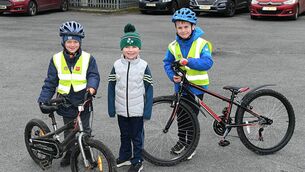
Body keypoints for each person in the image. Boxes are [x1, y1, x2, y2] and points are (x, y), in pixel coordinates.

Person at [37, 21, 100, 167]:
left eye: (75, 42)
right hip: (65, 101)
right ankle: (70, 153)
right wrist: (43, 99)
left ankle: (87, 152)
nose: (72, 45)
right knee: (69, 130)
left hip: (83, 100)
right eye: (69, 41)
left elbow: (93, 75)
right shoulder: (56, 59)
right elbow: (50, 82)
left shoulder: (88, 58)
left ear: (80, 42)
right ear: (63, 42)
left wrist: (91, 87)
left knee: (85, 130)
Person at [163, 8, 213, 160]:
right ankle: (182, 141)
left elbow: (207, 62)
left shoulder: (201, 43)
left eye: (186, 27)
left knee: (191, 117)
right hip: (180, 88)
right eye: (180, 27)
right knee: (180, 116)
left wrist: (189, 62)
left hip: (196, 89)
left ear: (193, 27)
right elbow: (167, 63)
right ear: (176, 28)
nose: (183, 30)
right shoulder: (173, 46)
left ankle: (191, 145)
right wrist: (173, 76)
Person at [107, 23, 153, 172]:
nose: (130, 50)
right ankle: (125, 156)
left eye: (134, 47)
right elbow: (111, 87)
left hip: (137, 110)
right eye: (127, 47)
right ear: (122, 49)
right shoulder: (116, 65)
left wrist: (147, 111)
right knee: (124, 135)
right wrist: (111, 107)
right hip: (121, 109)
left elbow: (149, 89)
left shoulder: (144, 66)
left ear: (139, 48)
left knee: (137, 137)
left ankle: (138, 160)